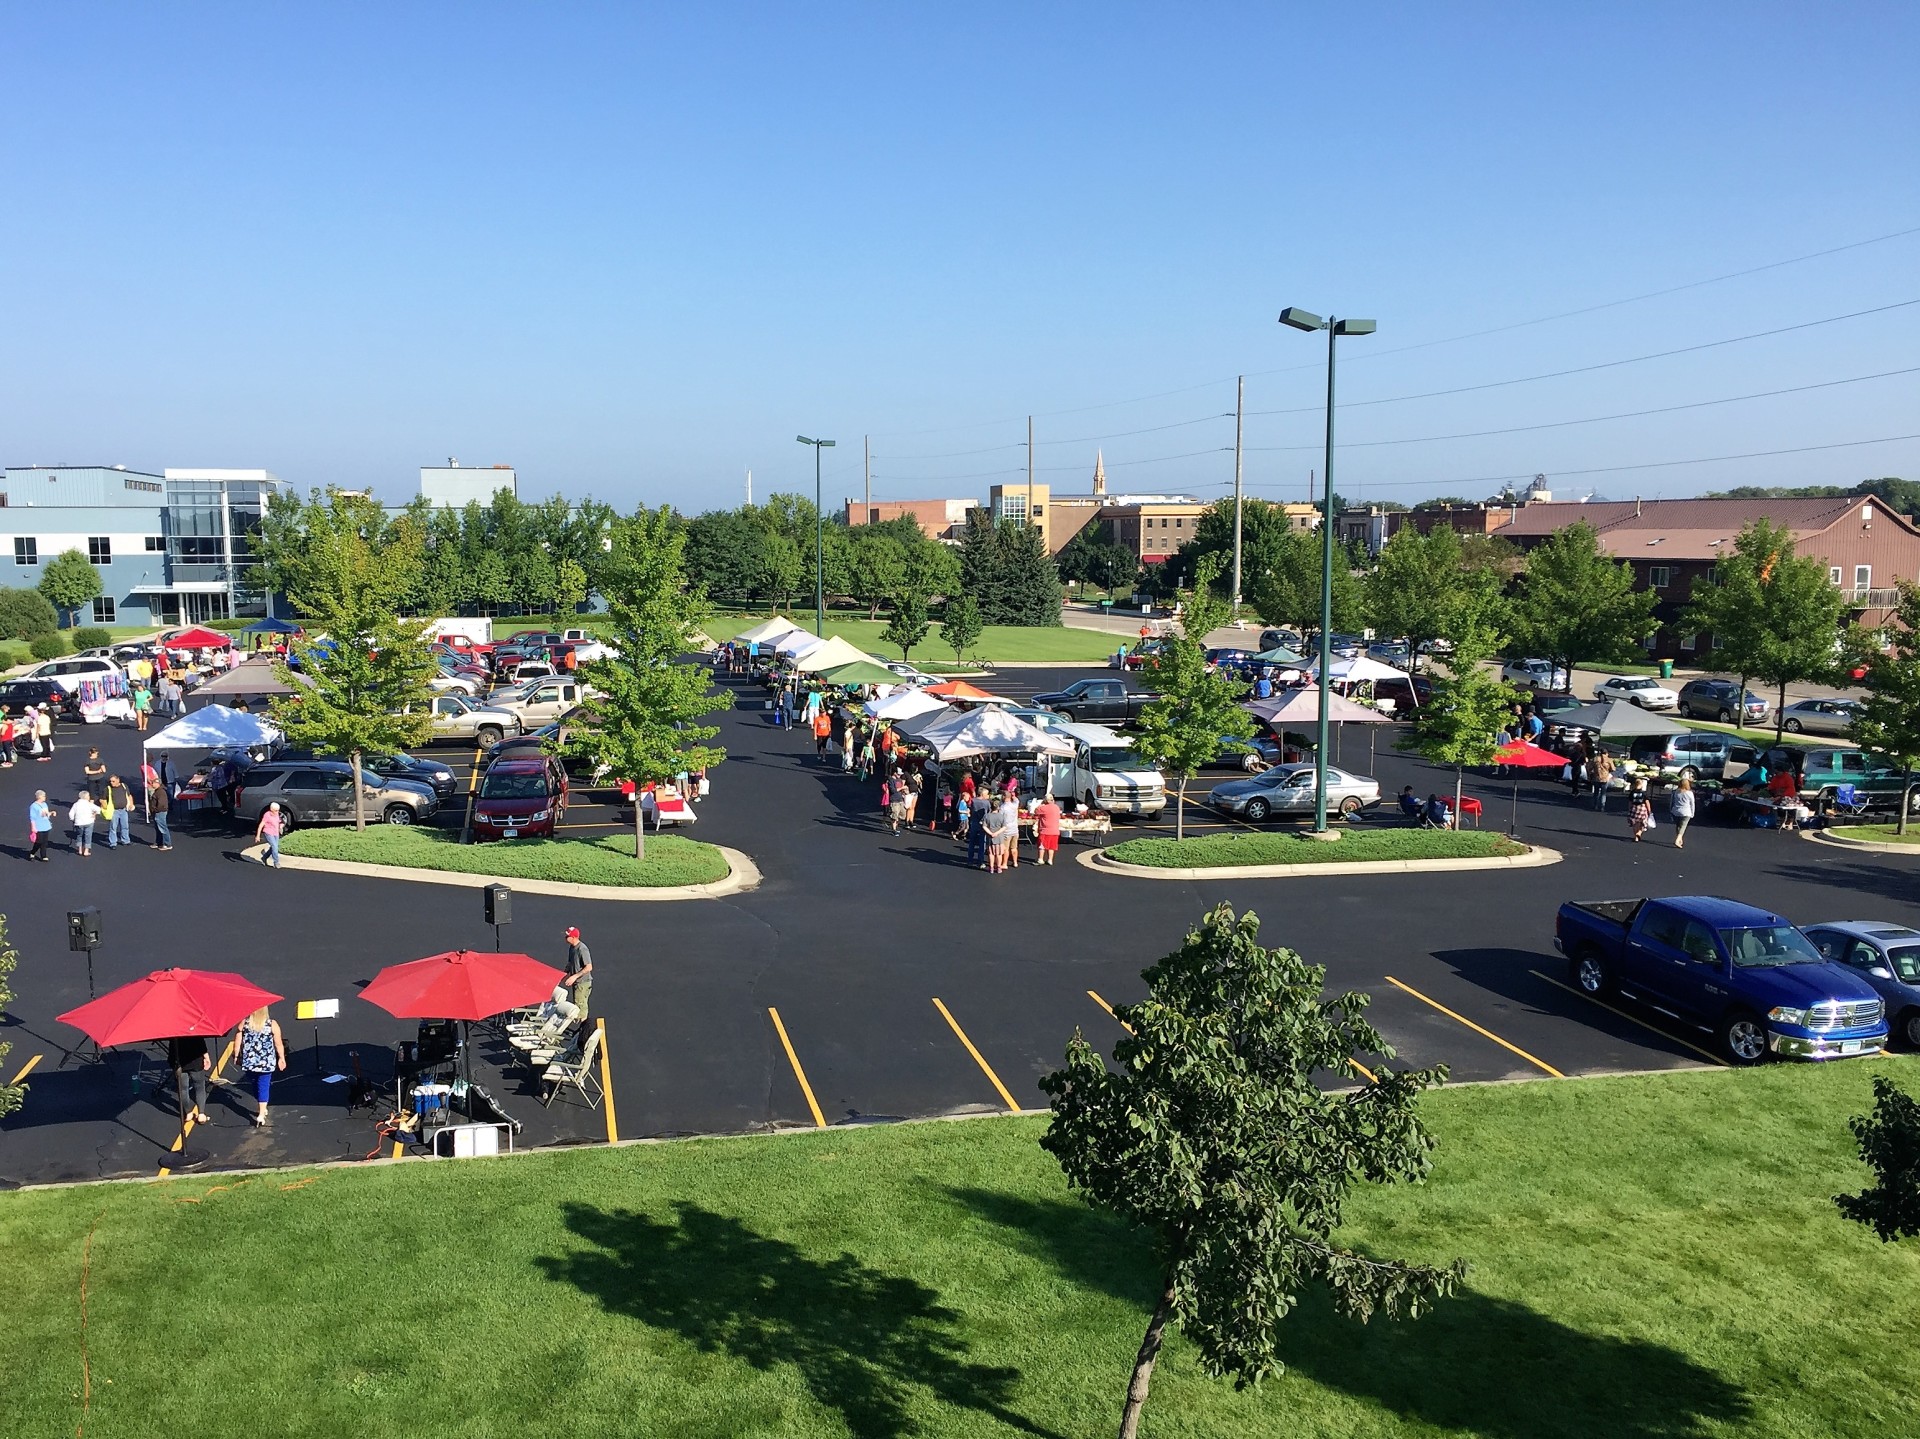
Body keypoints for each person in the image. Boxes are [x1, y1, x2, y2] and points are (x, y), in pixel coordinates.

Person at [234, 1007, 285, 1124]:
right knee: (264, 1085)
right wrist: (281, 1058)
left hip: (249, 1062)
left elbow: (238, 1038)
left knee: (255, 1083)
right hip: (266, 1062)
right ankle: (261, 1113)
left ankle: (261, 1106)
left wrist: (236, 1055)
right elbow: (278, 1043)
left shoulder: (245, 1023)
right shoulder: (272, 1024)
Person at [167, 1034, 213, 1126]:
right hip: (195, 1061)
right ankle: (201, 1114)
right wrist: (206, 1057)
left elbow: (171, 1051)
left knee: (183, 1089)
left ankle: (188, 1113)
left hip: (180, 1064)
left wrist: (173, 1064)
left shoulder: (173, 1032)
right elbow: (201, 1044)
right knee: (199, 1087)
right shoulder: (193, 1028)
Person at [562, 925, 594, 1014]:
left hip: (582, 983)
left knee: (580, 1007)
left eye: (567, 936)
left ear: (573, 937)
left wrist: (574, 977)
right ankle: (581, 1025)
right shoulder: (572, 948)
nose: (565, 938)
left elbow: (589, 967)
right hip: (576, 982)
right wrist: (563, 974)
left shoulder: (582, 949)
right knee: (577, 1004)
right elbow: (570, 963)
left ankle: (583, 1026)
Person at [104, 774, 134, 849]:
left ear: (118, 780)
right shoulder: (108, 789)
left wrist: (131, 804)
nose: (112, 783)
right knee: (113, 827)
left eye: (113, 781)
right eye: (110, 781)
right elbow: (103, 799)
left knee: (125, 826)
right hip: (114, 811)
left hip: (123, 810)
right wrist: (105, 808)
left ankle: (125, 840)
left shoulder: (124, 786)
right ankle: (113, 843)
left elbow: (129, 795)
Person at [1033, 794, 1062, 866]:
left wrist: (1041, 804)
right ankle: (1050, 860)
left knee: (1042, 845)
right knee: (1051, 846)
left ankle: (1040, 859)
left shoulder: (1044, 808)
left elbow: (1036, 811)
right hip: (1055, 830)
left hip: (1045, 830)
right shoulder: (1056, 807)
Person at [69, 789, 99, 857]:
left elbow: (71, 814)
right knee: (88, 836)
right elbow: (98, 810)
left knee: (79, 835)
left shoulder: (76, 804)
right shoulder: (89, 804)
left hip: (79, 823)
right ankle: (86, 851)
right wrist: (94, 814)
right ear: (86, 797)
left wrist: (73, 819)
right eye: (88, 796)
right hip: (89, 822)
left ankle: (79, 850)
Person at [255, 800, 285, 867]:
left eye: (278, 810)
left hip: (276, 833)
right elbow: (261, 825)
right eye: (276, 810)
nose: (277, 812)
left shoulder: (278, 814)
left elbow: (281, 822)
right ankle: (276, 862)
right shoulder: (267, 815)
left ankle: (264, 857)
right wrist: (258, 836)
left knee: (274, 847)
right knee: (274, 847)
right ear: (271, 809)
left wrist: (281, 826)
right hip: (268, 832)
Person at [1670, 775, 1696, 849]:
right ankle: (1678, 840)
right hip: (1686, 812)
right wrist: (1692, 813)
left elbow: (1672, 802)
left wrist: (1671, 810)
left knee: (1678, 826)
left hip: (1676, 811)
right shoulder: (1689, 793)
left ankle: (1680, 840)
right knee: (1683, 827)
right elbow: (1692, 804)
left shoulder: (1675, 792)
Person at [965, 790, 990, 869]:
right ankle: (980, 862)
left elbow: (969, 808)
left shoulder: (973, 801)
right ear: (983, 794)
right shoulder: (986, 802)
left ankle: (970, 860)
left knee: (972, 842)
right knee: (982, 843)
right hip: (983, 824)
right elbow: (989, 812)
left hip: (974, 823)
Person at [148, 774, 173, 850]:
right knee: (158, 828)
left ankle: (167, 844)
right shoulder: (157, 791)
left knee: (162, 828)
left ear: (158, 783)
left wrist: (155, 810)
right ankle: (159, 842)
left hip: (160, 812)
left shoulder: (161, 792)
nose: (152, 784)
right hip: (157, 812)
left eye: (153, 783)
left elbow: (162, 804)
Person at [27, 790, 53, 861]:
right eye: (44, 796)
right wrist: (33, 827)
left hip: (46, 826)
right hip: (39, 827)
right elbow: (32, 818)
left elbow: (46, 814)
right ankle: (32, 852)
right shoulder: (33, 806)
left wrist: (51, 813)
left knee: (45, 842)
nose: (45, 797)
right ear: (39, 797)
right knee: (39, 841)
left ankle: (43, 856)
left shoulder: (44, 804)